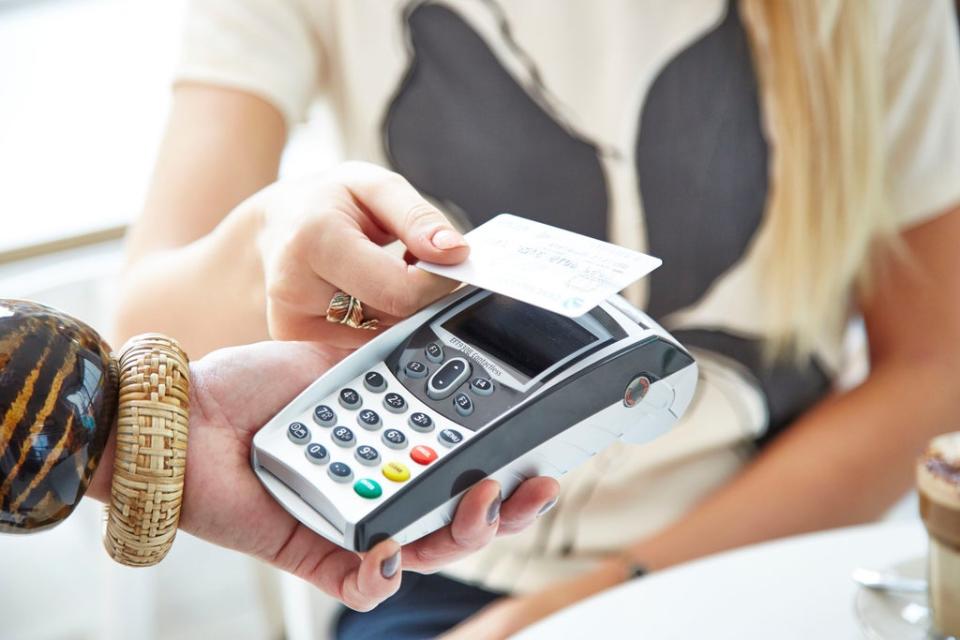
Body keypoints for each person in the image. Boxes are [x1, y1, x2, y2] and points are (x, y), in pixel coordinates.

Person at [113, 0, 960, 637]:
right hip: (436, 570)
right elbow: (146, 333)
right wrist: (269, 238)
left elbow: (933, 367)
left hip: (771, 528)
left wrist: (590, 600)